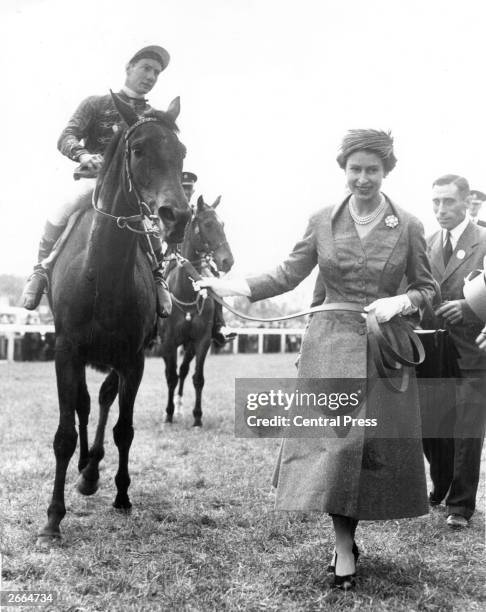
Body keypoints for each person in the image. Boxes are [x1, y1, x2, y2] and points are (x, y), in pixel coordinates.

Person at [198, 130, 437, 590]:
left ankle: (348, 538)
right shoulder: (322, 220)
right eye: (355, 169)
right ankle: (343, 543)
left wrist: (402, 302)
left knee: (370, 450)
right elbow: (289, 272)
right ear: (343, 170)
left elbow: (427, 288)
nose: (363, 178)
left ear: (387, 172)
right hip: (328, 346)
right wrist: (235, 286)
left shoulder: (407, 224)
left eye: (372, 170)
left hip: (382, 349)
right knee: (338, 448)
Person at [21, 45, 173, 317]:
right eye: (146, 68)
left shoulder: (153, 117)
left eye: (157, 72)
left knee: (150, 227)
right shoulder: (95, 103)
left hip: (133, 190)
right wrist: (82, 155)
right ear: (129, 68)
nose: (151, 76)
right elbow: (66, 135)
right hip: (95, 183)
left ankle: (158, 277)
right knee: (62, 207)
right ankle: (41, 269)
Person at [423, 174, 486, 528]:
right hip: (431, 346)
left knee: (467, 425)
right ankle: (442, 483)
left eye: (448, 201)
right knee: (432, 423)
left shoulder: (484, 239)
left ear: (467, 202)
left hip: (473, 347)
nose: (441, 209)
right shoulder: (426, 242)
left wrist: (473, 306)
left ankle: (460, 507)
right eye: (436, 202)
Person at [181, 171, 236, 347]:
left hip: (196, 259)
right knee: (154, 279)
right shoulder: (168, 207)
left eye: (189, 189)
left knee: (214, 281)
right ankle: (149, 326)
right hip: (170, 254)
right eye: (184, 188)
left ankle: (220, 326)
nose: (187, 192)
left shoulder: (198, 211)